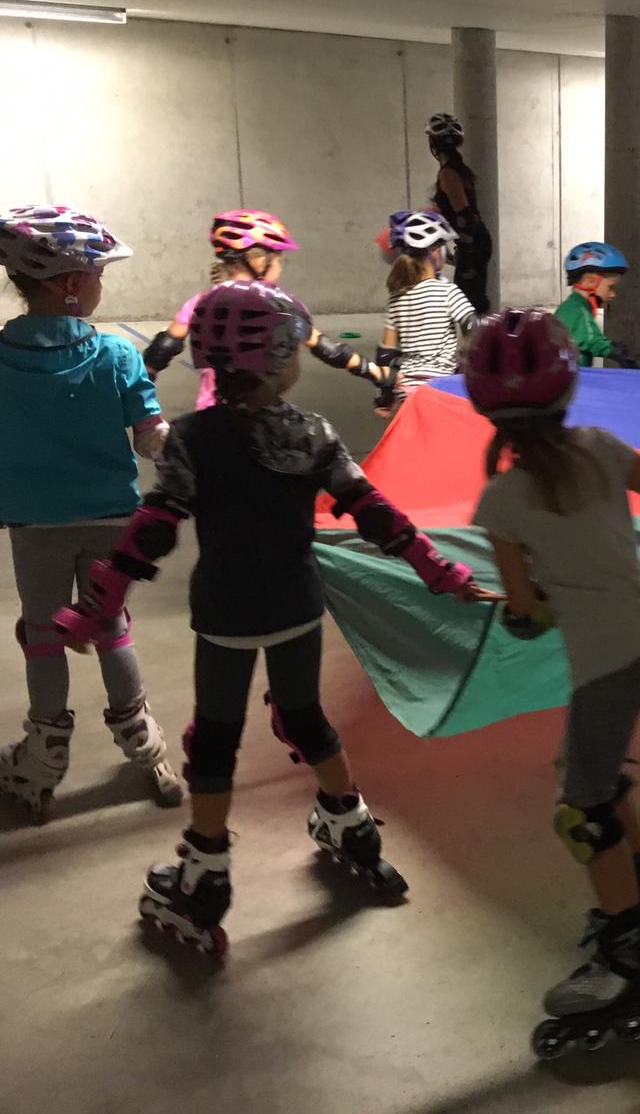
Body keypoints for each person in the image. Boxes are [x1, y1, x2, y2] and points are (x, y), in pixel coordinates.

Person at [52, 280, 488, 957]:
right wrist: (439, 571)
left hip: (226, 614)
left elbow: (153, 530)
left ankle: (205, 875)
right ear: (278, 355)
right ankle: (353, 829)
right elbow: (376, 513)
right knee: (306, 717)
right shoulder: (312, 433)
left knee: (215, 739)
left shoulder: (191, 439)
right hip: (296, 607)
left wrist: (97, 606)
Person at [464, 308, 640, 1056]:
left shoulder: (501, 502)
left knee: (581, 811)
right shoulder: (605, 449)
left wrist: (530, 603)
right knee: (592, 770)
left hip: (607, 663)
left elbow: (527, 614)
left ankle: (629, 958)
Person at [0, 206, 182, 821]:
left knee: (42, 635)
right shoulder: (117, 356)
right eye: (99, 273)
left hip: (33, 525)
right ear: (73, 284)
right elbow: (150, 439)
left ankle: (43, 755)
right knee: (111, 626)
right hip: (111, 520)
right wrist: (185, 447)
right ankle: (143, 743)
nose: (102, 283)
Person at [143, 210, 388, 409]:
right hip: (260, 415)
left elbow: (162, 350)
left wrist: (140, 399)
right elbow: (326, 349)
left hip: (210, 416)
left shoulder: (201, 301)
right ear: (258, 261)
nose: (280, 266)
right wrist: (377, 373)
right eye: (278, 259)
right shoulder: (279, 303)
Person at [378, 210, 478, 413]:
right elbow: (475, 330)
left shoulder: (396, 297)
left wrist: (385, 398)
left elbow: (385, 354)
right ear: (434, 251)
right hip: (441, 387)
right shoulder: (448, 292)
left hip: (405, 389)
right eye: (443, 246)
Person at [426, 113, 494, 313]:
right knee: (472, 300)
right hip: (474, 241)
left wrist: (467, 251)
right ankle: (482, 332)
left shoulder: (448, 173)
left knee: (467, 303)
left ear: (433, 143)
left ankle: (483, 333)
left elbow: (465, 217)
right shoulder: (458, 169)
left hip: (473, 242)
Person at [553, 242, 640, 369]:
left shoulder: (573, 306)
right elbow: (593, 340)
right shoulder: (578, 311)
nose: (613, 294)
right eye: (610, 287)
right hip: (570, 379)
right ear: (590, 282)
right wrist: (627, 357)